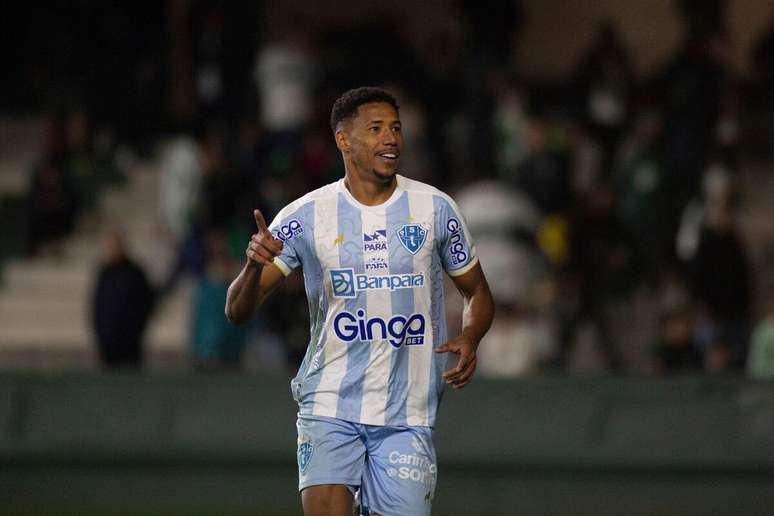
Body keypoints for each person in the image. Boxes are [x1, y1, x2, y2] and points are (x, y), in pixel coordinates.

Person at [225, 87, 494, 516]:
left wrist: (471, 335)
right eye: (376, 129)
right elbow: (237, 311)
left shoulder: (435, 209)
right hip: (330, 404)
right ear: (343, 140)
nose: (391, 138)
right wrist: (254, 266)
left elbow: (476, 290)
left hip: (407, 415)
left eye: (396, 128)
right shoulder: (305, 216)